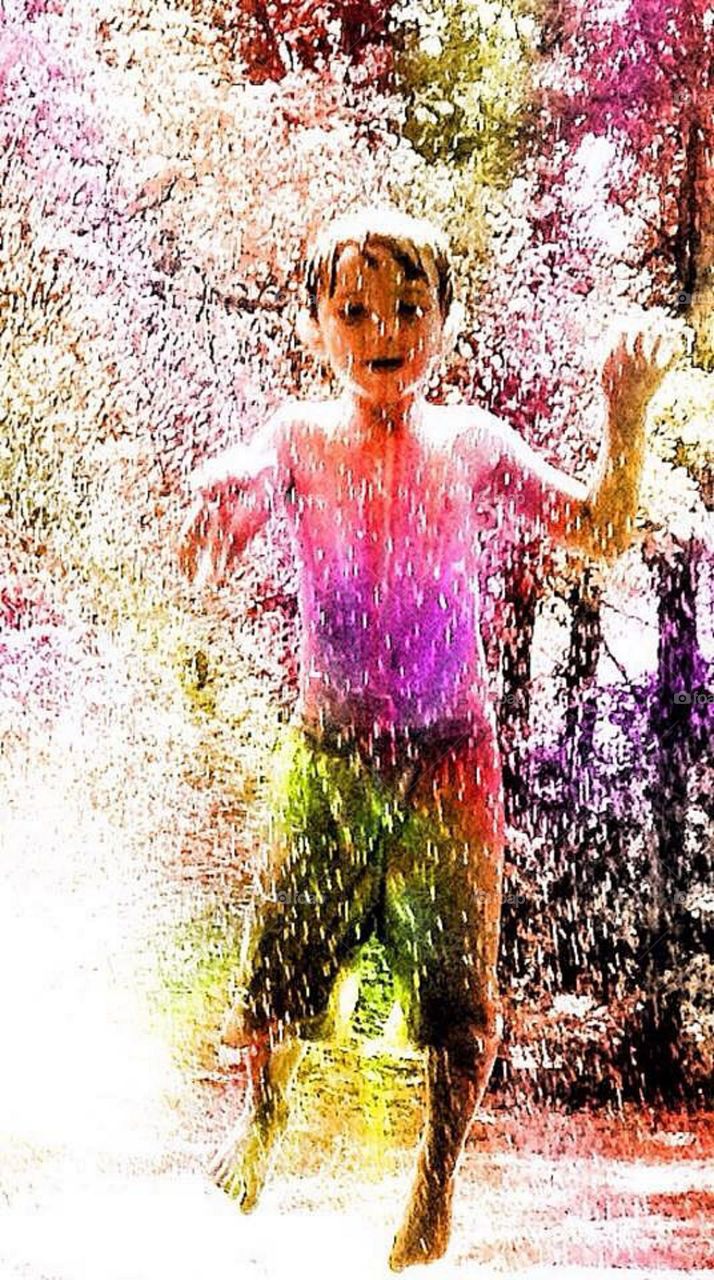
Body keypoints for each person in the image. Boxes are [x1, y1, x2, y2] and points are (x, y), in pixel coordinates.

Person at [177, 207, 678, 1270]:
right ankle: (264, 1113)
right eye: (353, 309)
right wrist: (213, 506)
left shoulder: (470, 443)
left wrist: (623, 422)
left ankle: (435, 1182)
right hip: (330, 755)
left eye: (408, 305)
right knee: (275, 979)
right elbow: (240, 481)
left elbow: (596, 530)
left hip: (452, 755)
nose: (382, 328)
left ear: (445, 318)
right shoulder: (298, 437)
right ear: (315, 326)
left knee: (460, 1000)